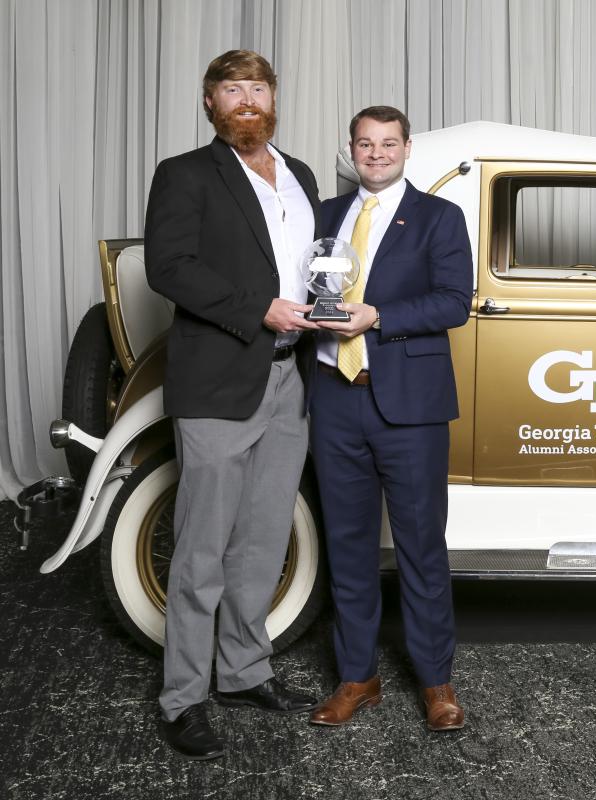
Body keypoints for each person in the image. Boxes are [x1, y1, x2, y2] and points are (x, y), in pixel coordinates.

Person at [144, 49, 321, 761]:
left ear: (272, 97)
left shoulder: (301, 175)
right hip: (220, 379)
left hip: (292, 380)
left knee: (262, 539)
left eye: (257, 87)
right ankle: (184, 697)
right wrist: (261, 312)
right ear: (211, 102)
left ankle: (245, 671)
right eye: (230, 88)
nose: (245, 98)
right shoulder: (185, 174)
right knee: (202, 550)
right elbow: (170, 267)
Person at [306, 106, 472, 731]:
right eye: (365, 144)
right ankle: (357, 677)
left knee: (421, 548)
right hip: (334, 397)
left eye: (388, 143)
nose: (376, 153)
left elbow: (456, 302)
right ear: (351, 150)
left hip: (409, 405)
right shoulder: (322, 216)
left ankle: (436, 683)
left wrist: (377, 317)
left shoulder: (438, 216)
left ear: (407, 148)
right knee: (347, 547)